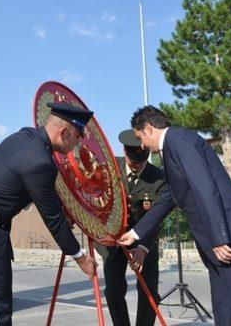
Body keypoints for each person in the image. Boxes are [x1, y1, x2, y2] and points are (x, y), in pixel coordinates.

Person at [0, 103, 98, 325]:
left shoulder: (25, 137)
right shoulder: (41, 162)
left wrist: (62, 209)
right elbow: (53, 219)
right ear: (65, 132)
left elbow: (41, 193)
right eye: (78, 136)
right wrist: (80, 257)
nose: (78, 143)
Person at [118, 106, 231, 326]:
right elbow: (170, 197)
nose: (141, 145)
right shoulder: (172, 148)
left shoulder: (178, 141)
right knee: (226, 310)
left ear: (149, 128)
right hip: (218, 245)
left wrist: (219, 238)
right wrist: (135, 233)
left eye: (140, 137)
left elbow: (205, 188)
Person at [95, 129, 167, 326]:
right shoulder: (108, 169)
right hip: (113, 242)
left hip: (145, 242)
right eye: (132, 162)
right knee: (114, 290)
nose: (136, 166)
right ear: (124, 152)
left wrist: (143, 248)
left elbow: (156, 217)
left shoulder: (159, 178)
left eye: (141, 162)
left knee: (149, 292)